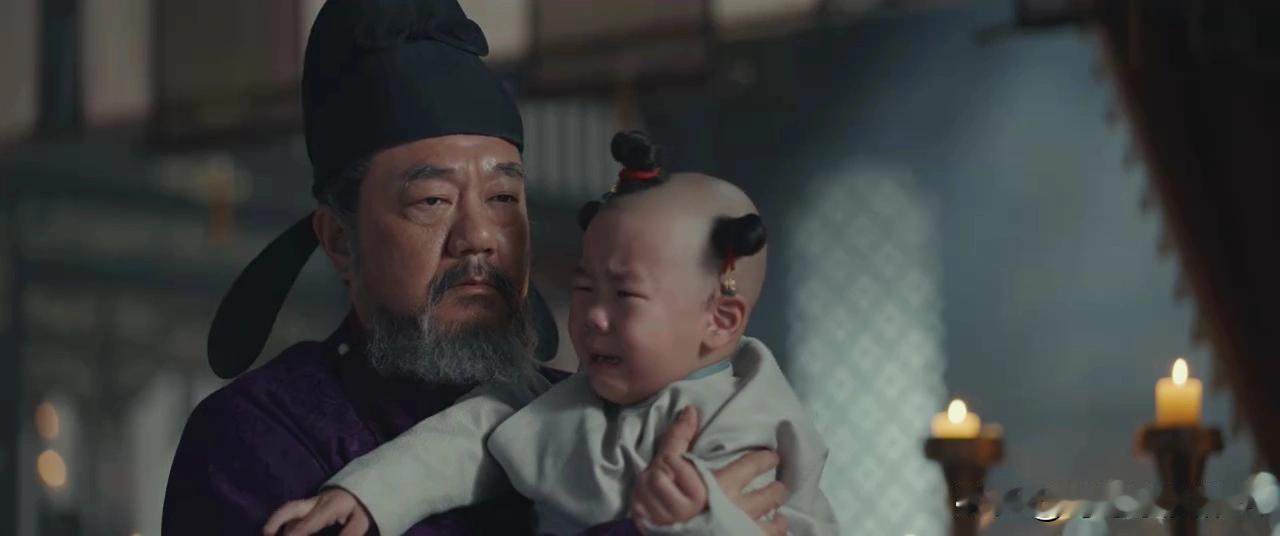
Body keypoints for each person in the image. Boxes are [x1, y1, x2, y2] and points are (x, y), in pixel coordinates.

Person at [160, 1, 786, 534]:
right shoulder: (257, 434)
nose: (480, 237)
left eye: (504, 198)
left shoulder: (588, 409)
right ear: (341, 241)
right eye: (432, 200)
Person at [262, 132, 834, 535]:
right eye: (584, 288)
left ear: (721, 320)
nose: (593, 317)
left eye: (625, 295)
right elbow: (464, 440)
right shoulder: (557, 401)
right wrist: (370, 494)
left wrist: (696, 523)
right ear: (340, 240)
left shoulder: (746, 426)